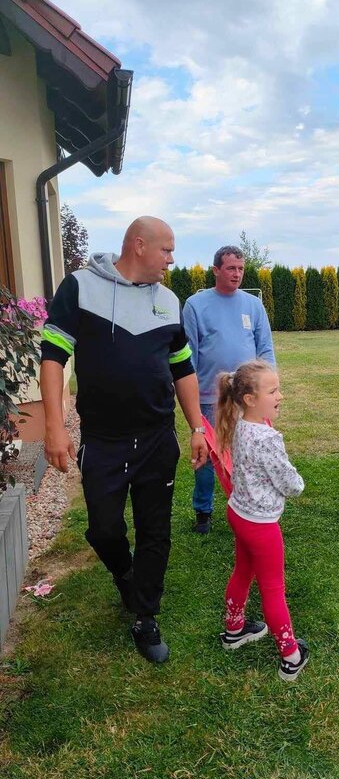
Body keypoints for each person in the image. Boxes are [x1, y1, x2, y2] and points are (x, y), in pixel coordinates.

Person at [40, 217, 207, 664]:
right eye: (166, 250)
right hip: (104, 440)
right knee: (104, 528)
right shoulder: (80, 288)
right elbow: (53, 357)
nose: (171, 260)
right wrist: (54, 426)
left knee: (156, 530)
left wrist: (197, 427)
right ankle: (125, 574)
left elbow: (182, 366)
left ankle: (146, 615)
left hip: (156, 437)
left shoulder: (168, 300)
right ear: (139, 245)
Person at [215, 359, 309, 682]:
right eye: (273, 391)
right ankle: (291, 656)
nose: (280, 395)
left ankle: (234, 630)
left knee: (243, 571)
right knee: (273, 589)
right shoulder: (267, 439)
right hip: (260, 526)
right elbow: (290, 483)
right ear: (250, 399)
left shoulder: (240, 423)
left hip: (239, 514)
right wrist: (299, 483)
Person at [182, 246, 275, 534]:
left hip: (247, 398)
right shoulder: (196, 305)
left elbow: (265, 348)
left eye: (240, 269)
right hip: (210, 398)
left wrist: (269, 387)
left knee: (250, 453)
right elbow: (188, 357)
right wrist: (191, 397)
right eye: (231, 268)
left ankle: (250, 507)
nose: (237, 274)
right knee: (209, 456)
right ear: (216, 270)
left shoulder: (253, 305)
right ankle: (203, 512)